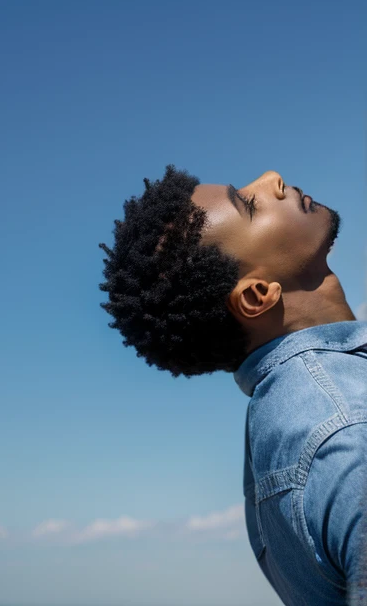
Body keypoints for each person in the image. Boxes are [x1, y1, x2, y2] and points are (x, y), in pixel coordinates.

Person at [99, 165, 367, 605]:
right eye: (248, 205)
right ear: (256, 296)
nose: (272, 178)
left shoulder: (291, 415)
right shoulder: (348, 428)